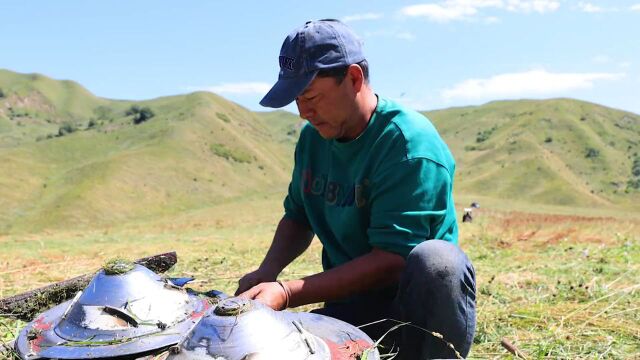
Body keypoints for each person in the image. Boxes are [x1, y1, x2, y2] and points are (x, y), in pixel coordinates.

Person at [235, 19, 476, 359]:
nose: (304, 112)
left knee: (437, 260)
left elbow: (393, 260)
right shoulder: (314, 139)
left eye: (311, 96)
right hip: (351, 306)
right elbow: (298, 216)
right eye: (296, 100)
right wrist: (267, 271)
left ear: (353, 78)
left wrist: (287, 293)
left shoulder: (409, 145)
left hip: (414, 312)